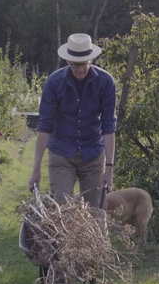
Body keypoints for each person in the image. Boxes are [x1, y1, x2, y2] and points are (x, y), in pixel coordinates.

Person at [28, 33, 116, 207]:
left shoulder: (105, 82)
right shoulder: (54, 83)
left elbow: (108, 126)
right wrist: (36, 168)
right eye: (74, 65)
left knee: (95, 209)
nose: (80, 70)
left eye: (83, 64)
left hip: (92, 152)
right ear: (68, 62)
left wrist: (109, 167)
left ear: (90, 60)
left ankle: (95, 234)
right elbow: (45, 126)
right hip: (62, 151)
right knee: (61, 207)